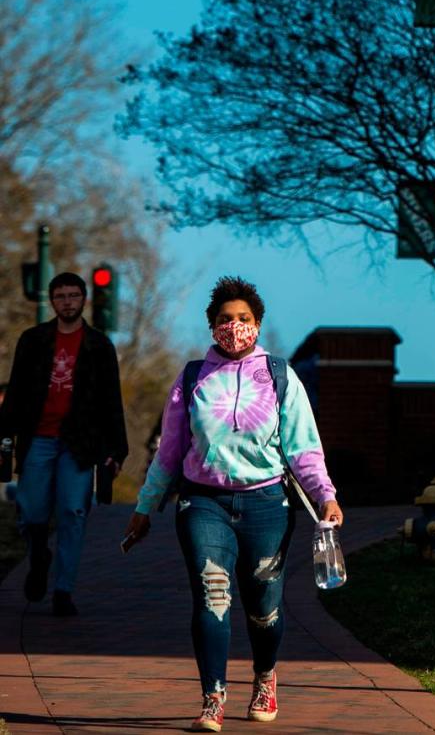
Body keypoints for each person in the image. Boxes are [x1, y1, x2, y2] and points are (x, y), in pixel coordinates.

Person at [123, 275, 343, 732]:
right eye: (225, 319)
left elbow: (304, 448)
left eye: (243, 319)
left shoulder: (279, 376)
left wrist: (326, 496)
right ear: (211, 326)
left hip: (266, 504)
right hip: (203, 504)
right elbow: (168, 452)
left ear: (258, 324)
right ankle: (213, 698)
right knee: (212, 598)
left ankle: (265, 677)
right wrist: (145, 508)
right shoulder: (192, 378)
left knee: (265, 610)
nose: (234, 326)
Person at [0, 271, 128, 616]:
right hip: (37, 437)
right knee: (30, 510)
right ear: (52, 301)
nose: (67, 302)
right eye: (61, 296)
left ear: (84, 299)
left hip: (79, 442)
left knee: (73, 511)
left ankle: (62, 590)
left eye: (73, 295)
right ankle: (39, 553)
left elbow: (110, 401)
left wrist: (117, 450)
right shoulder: (33, 340)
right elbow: (15, 394)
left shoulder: (99, 345)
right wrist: (4, 437)